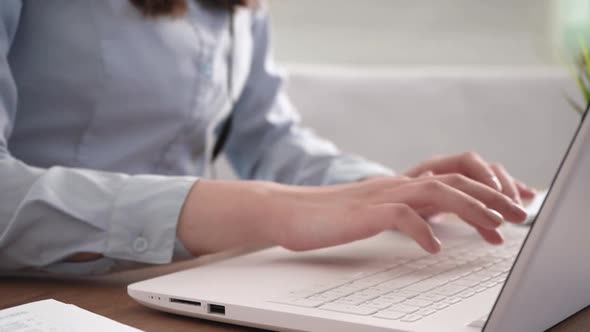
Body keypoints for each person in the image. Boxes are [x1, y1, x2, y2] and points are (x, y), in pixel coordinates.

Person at [0, 0, 534, 276]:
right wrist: (270, 209)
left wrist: (386, 192)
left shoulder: (239, 10)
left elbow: (269, 136)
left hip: (181, 283)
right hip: (46, 293)